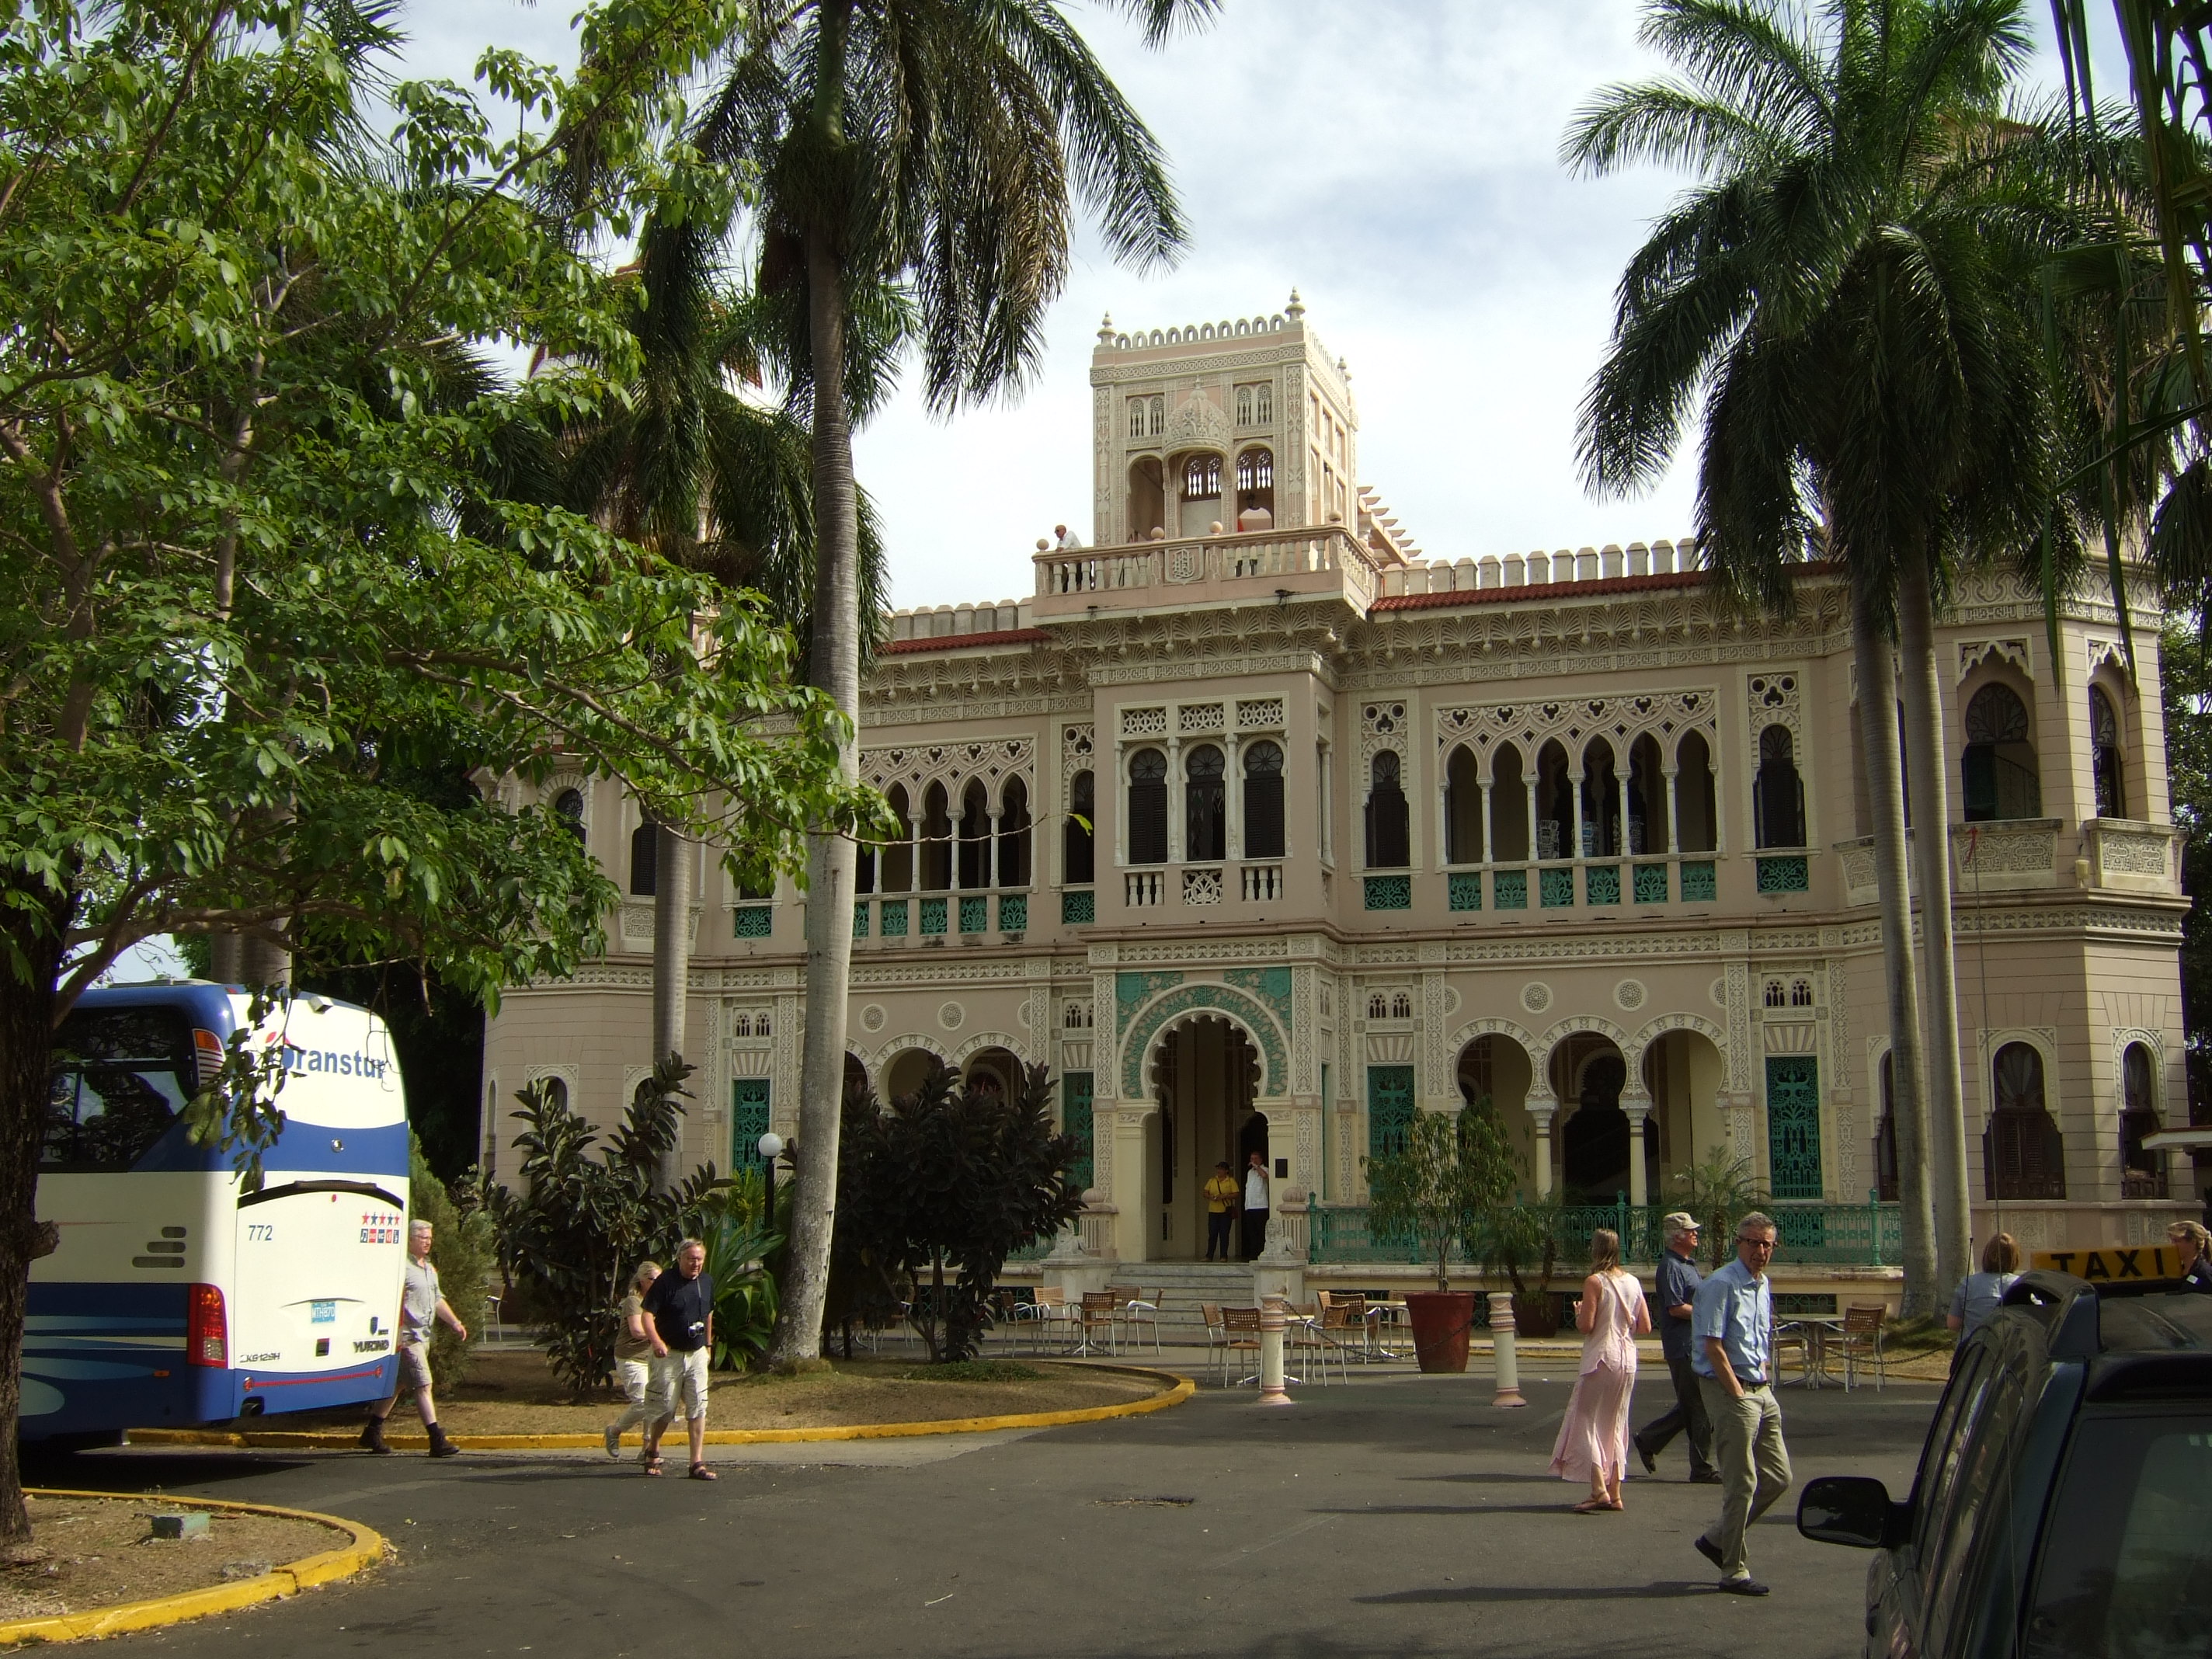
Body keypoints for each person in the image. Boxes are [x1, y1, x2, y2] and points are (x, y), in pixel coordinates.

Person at [1690, 1212, 1791, 1597]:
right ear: (1738, 1243)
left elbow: (1757, 1336)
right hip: (1730, 1389)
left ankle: (1718, 1538)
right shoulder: (1721, 1284)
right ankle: (1733, 1569)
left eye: (1767, 1244)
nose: (1760, 1251)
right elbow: (1711, 1345)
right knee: (1742, 1482)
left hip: (1761, 1389)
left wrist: (1762, 1382)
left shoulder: (1761, 1284)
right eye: (1753, 1242)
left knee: (1779, 1478)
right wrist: (1735, 1391)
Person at [1549, 1227, 1651, 1512]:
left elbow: (1587, 1326)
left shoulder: (1595, 1282)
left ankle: (1598, 1488)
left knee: (1586, 1420)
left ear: (1595, 1250)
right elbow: (1645, 1326)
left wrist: (1580, 1311)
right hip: (1627, 1357)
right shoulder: (1633, 1282)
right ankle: (1615, 1490)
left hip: (1602, 1357)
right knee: (1616, 1422)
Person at [360, 1218, 468, 1457]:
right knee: (424, 1385)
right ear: (409, 1240)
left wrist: (455, 1322)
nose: (428, 1242)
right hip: (407, 1337)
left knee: (398, 1385)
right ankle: (436, 1439)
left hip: (423, 1335)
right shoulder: (403, 1268)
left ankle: (372, 1431)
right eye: (423, 1238)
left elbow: (437, 1299)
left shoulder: (428, 1268)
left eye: (430, 1238)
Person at [1633, 1213, 1719, 1483]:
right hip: (1682, 1346)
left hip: (1695, 1343)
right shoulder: (1670, 1267)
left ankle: (1648, 1440)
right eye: (1690, 1230)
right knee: (1700, 1406)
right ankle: (1702, 1468)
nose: (1695, 1234)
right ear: (1677, 1236)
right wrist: (1706, 1314)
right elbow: (1675, 1308)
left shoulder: (1688, 1265)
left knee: (1691, 1405)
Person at [640, 1238, 716, 1480]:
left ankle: (696, 1462)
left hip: (695, 1354)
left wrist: (708, 1344)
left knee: (698, 1407)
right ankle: (653, 1450)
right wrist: (656, 1342)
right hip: (670, 1354)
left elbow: (709, 1313)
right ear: (680, 1258)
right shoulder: (666, 1282)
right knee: (665, 1408)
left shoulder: (706, 1282)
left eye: (699, 1259)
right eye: (691, 1259)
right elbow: (647, 1315)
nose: (696, 1264)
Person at [603, 1261, 663, 1458]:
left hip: (652, 1359)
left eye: (660, 1279)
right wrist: (660, 1332)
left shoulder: (659, 1301)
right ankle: (614, 1431)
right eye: (653, 1279)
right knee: (643, 1402)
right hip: (630, 1358)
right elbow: (637, 1331)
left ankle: (646, 1449)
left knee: (654, 1401)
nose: (657, 1283)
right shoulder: (634, 1301)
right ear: (642, 1280)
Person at [1947, 1233, 2022, 1354]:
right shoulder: (2020, 1285)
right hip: (2007, 1354)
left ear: (1986, 1256)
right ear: (2014, 1258)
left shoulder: (1966, 1284)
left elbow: (1953, 1324)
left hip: (1970, 1354)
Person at [1202, 1162, 1240, 1262]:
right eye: (1218, 1169)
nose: (1219, 1171)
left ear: (1226, 1171)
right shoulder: (1212, 1181)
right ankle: (1209, 1255)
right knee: (1212, 1234)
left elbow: (1236, 1194)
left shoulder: (1231, 1181)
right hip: (1213, 1211)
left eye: (1221, 1169)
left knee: (1224, 1234)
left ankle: (1224, 1256)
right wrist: (1210, 1197)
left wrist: (1225, 1196)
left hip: (1225, 1211)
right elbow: (1205, 1192)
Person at [1240, 1150, 1270, 1261]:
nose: (1253, 1161)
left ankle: (1261, 1253)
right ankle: (1253, 1254)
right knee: (1251, 1233)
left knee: (1260, 1231)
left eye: (1255, 1159)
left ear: (1261, 1160)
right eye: (1252, 1159)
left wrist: (1257, 1167)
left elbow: (1264, 1176)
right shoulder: (1249, 1173)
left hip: (1261, 1206)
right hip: (1250, 1206)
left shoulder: (1265, 1169)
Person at [2171, 1219, 2212, 1292]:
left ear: (2193, 1242)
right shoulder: (2177, 1271)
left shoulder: (2204, 1273)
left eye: (2177, 1241)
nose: (2172, 1245)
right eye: (2172, 1241)